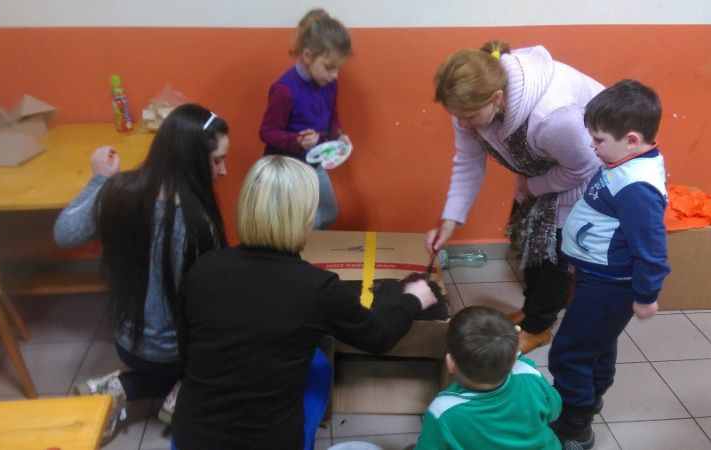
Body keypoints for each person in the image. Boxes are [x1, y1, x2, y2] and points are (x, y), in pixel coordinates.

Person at [171, 155, 437, 450]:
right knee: (318, 365)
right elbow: (379, 337)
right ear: (306, 219)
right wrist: (413, 300)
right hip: (268, 443)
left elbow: (186, 351)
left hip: (189, 437)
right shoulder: (317, 288)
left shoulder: (203, 269)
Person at [53, 104, 230, 440]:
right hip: (175, 356)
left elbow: (64, 233)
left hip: (127, 344)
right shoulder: (197, 223)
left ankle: (121, 386)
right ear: (190, 160)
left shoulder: (119, 193)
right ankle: (185, 390)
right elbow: (209, 307)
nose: (224, 171)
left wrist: (99, 180)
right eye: (217, 161)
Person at [427, 40, 604, 354]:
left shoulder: (553, 118)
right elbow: (468, 162)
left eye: (469, 116)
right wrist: (450, 221)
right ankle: (530, 310)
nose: (463, 123)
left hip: (584, 173)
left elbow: (584, 167)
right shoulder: (469, 105)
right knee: (526, 241)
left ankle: (538, 327)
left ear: (497, 98)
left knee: (551, 254)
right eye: (457, 116)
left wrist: (533, 187)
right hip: (542, 172)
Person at [549, 79, 671, 449]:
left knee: (568, 353)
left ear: (631, 139)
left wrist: (646, 296)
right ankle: (590, 396)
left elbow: (651, 249)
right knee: (597, 345)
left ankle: (574, 428)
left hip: (609, 286)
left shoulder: (637, 187)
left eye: (598, 139)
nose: (592, 145)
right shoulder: (623, 161)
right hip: (597, 275)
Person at [415, 306, 563, 450]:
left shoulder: (443, 410)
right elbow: (555, 410)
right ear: (514, 358)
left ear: (450, 363)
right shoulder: (530, 375)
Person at [259, 8, 352, 230]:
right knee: (305, 224)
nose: (334, 75)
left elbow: (332, 116)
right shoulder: (285, 90)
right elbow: (267, 132)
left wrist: (339, 135)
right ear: (308, 56)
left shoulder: (329, 83)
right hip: (288, 169)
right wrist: (297, 141)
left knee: (328, 214)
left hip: (315, 162)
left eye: (338, 68)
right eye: (329, 68)